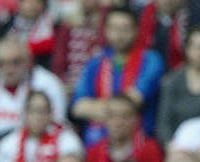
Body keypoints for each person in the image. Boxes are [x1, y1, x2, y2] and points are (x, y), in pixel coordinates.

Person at [0, 38, 67, 162]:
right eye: (2, 64)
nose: (9, 69)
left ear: (27, 61)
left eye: (15, 62)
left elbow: (58, 124)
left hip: (33, 147)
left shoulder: (47, 84)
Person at [69, 7, 166, 143]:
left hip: (139, 142)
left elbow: (133, 100)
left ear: (136, 30)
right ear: (106, 30)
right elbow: (78, 107)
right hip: (98, 143)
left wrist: (98, 108)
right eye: (114, 28)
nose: (119, 34)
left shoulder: (150, 60)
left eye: (125, 29)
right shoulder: (95, 63)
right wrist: (118, 111)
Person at [84, 94, 166, 162]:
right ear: (104, 119)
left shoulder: (148, 148)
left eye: (125, 116)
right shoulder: (94, 152)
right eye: (112, 116)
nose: (118, 122)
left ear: (136, 120)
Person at [155, 28, 200, 145]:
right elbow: (163, 122)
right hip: (179, 145)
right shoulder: (173, 80)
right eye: (195, 47)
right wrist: (170, 146)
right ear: (186, 50)